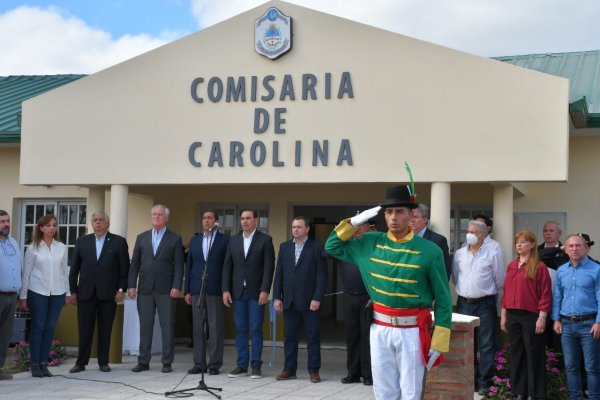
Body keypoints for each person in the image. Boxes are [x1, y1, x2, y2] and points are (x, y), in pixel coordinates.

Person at [325, 185, 452, 400]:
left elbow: (443, 298)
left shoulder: (430, 250)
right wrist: (354, 222)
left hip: (412, 330)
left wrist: (439, 340)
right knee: (383, 391)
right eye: (389, 212)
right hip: (379, 328)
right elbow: (332, 246)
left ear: (412, 215)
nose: (393, 217)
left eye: (400, 212)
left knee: (410, 391)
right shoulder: (368, 242)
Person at [68, 212, 130, 373]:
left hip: (109, 294)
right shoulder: (82, 241)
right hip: (85, 293)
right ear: (92, 223)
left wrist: (121, 290)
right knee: (85, 329)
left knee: (105, 328)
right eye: (95, 220)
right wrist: (73, 290)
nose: (98, 223)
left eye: (101, 220)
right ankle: (81, 363)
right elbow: (74, 269)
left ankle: (104, 362)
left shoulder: (118, 242)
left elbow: (124, 269)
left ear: (107, 223)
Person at [127, 204, 184, 373]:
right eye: (154, 214)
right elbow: (135, 263)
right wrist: (131, 284)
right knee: (145, 326)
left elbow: (179, 266)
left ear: (166, 218)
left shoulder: (175, 238)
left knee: (167, 326)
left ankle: (167, 362)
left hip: (166, 290)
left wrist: (176, 285)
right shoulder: (142, 237)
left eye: (160, 214)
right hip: (144, 289)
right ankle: (143, 361)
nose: (157, 216)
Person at [452, 219, 505, 395]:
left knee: (486, 343)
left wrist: (485, 294)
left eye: (474, 232)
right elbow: (455, 277)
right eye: (469, 231)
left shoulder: (492, 253)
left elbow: (499, 280)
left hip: (485, 303)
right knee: (466, 343)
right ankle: (469, 378)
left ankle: (484, 382)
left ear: (483, 235)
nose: (470, 235)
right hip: (463, 303)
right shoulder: (459, 253)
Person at [273, 216, 327, 383]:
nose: (296, 230)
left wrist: (317, 297)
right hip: (289, 301)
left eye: (299, 227)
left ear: (307, 229)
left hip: (310, 302)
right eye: (294, 227)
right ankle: (289, 369)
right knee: (290, 337)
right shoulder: (284, 247)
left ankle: (314, 370)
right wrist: (276, 297)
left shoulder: (317, 247)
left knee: (312, 337)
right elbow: (279, 274)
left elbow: (322, 275)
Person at [222, 209, 275, 379]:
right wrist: (225, 290)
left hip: (256, 292)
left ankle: (256, 365)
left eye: (248, 218)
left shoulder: (265, 240)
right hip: (237, 292)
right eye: (242, 219)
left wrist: (265, 290)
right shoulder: (233, 240)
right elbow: (227, 267)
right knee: (241, 329)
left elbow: (269, 267)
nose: (245, 221)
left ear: (256, 221)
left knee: (255, 329)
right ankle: (242, 365)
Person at [500, 230, 552, 400]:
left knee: (533, 354)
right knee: (517, 353)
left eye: (523, 242)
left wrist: (542, 317)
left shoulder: (539, 266)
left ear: (532, 244)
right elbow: (506, 292)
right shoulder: (512, 266)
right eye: (517, 242)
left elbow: (545, 294)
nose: (519, 245)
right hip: (513, 315)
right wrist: (504, 314)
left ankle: (534, 393)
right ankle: (519, 391)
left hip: (531, 316)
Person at [19, 214, 69, 378]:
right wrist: (23, 296)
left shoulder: (61, 247)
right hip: (37, 291)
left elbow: (64, 271)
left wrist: (67, 293)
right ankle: (34, 365)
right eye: (48, 225)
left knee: (49, 328)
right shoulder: (33, 247)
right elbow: (26, 273)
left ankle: (43, 364)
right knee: (38, 327)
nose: (52, 228)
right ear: (41, 228)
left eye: (54, 225)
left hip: (57, 292)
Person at [552, 234, 600, 400]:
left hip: (590, 324)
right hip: (567, 325)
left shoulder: (596, 269)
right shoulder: (561, 271)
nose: (574, 249)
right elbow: (557, 296)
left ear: (585, 248)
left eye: (578, 246)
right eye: (570, 246)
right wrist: (556, 319)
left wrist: (599, 322)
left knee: (592, 367)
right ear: (565, 249)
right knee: (571, 366)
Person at [184, 210, 229, 375]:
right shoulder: (195, 240)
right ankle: (199, 363)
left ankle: (215, 364)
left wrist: (226, 288)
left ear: (216, 221)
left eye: (210, 218)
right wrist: (187, 290)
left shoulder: (224, 240)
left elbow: (227, 267)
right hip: (197, 288)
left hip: (215, 288)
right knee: (197, 326)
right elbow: (189, 266)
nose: (206, 221)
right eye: (204, 218)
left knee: (215, 326)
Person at [337, 220, 373, 386]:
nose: (358, 230)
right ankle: (353, 373)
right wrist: (341, 232)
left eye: (361, 226)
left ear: (368, 228)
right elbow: (325, 253)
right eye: (355, 227)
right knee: (351, 336)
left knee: (367, 337)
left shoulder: (371, 246)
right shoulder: (344, 246)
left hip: (367, 297)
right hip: (349, 296)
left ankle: (368, 374)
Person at [0, 210, 22, 381]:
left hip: (11, 296)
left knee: (5, 334)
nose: (6, 224)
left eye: (7, 221)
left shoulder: (13, 242)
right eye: (2, 221)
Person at [410, 204, 451, 279]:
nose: (412, 220)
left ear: (425, 219)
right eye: (410, 217)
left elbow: (445, 271)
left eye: (415, 217)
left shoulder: (438, 240)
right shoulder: (402, 239)